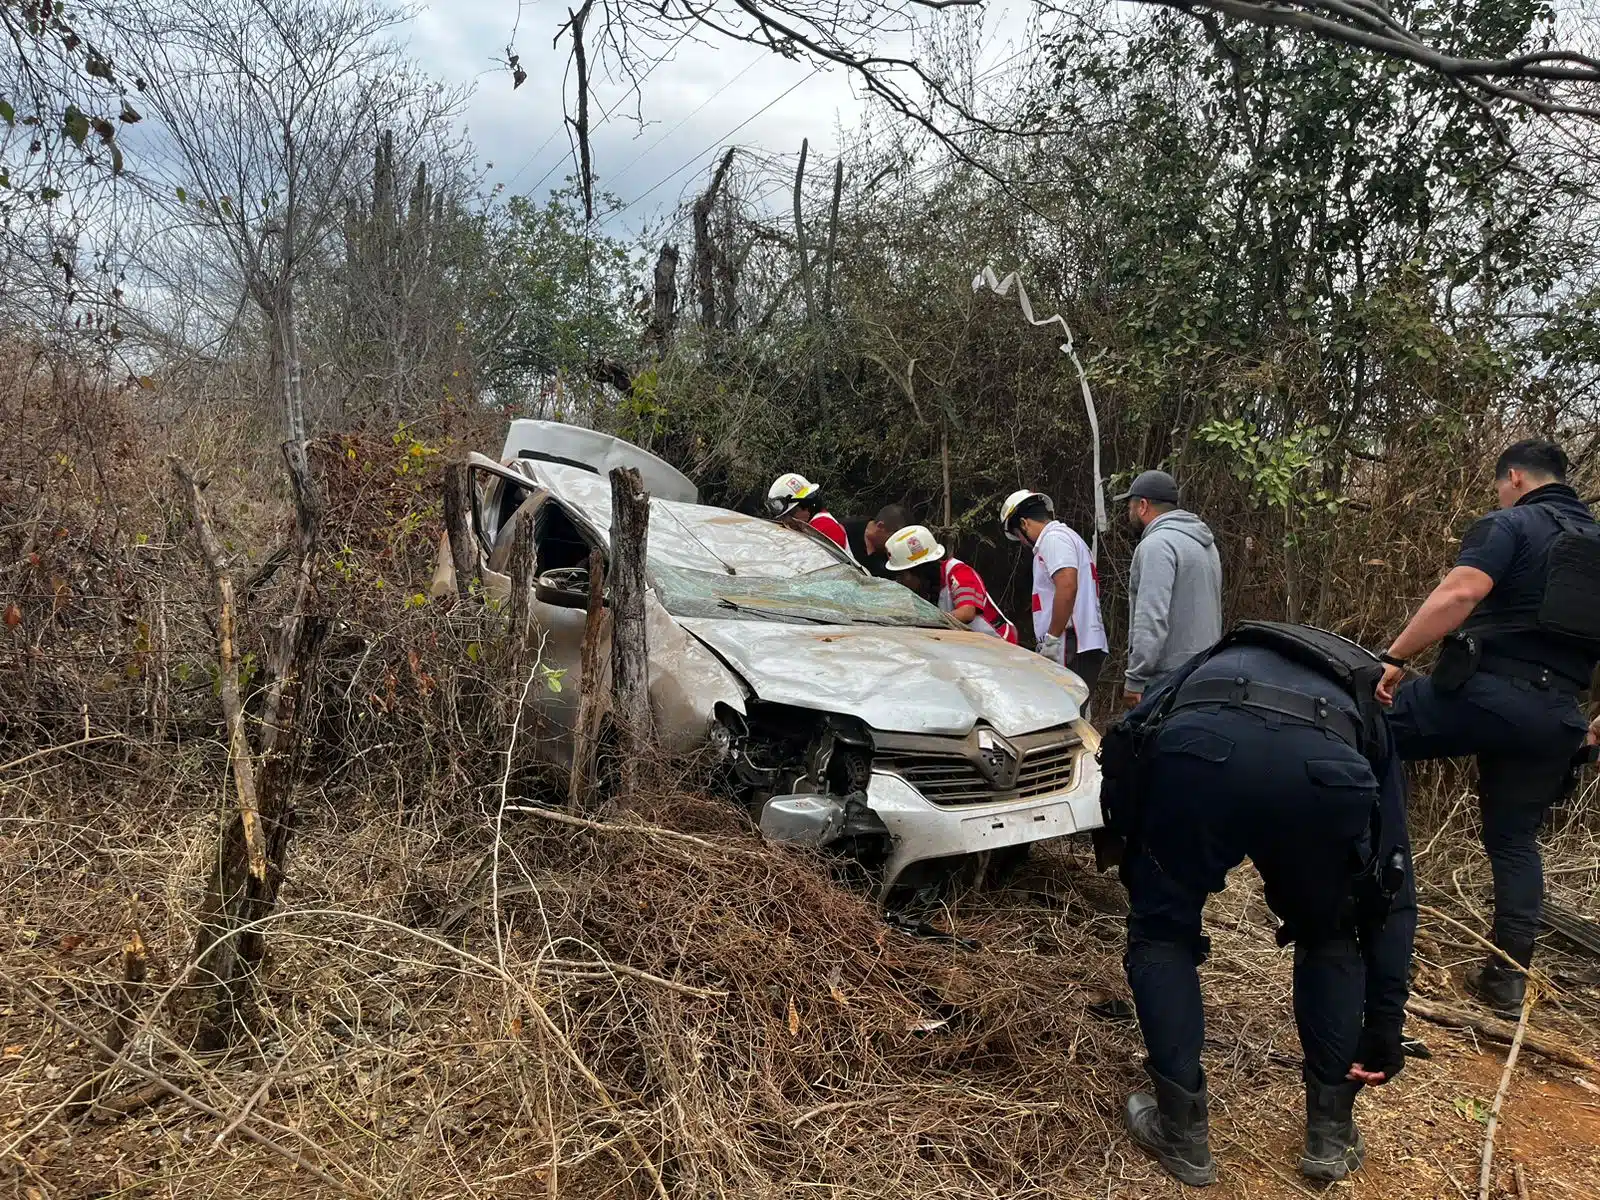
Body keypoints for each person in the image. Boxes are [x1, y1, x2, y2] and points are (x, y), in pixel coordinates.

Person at [1103, 622, 1415, 1187]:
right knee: (1332, 934)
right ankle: (1330, 1135)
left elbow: (1128, 738)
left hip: (1198, 750)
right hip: (1326, 772)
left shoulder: (1208, 659)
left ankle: (1182, 1134)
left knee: (1162, 932)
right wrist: (1385, 1024)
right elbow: (1392, 887)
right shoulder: (1365, 706)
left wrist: (1135, 858)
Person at [1377, 440, 1598, 1017]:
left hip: (1487, 691)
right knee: (1514, 840)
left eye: (1501, 485)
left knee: (1371, 729)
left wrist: (1395, 658)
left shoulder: (1512, 524)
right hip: (1557, 716)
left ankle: (1377, 901)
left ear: (1517, 478)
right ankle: (1507, 981)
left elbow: (1462, 592)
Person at [1115, 469, 1224, 709]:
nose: (1129, 513)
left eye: (1130, 506)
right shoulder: (1205, 543)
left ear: (1143, 505)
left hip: (1166, 680)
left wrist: (1135, 678)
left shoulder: (1157, 545)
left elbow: (1151, 616)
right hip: (1204, 671)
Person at [1000, 489, 1109, 692]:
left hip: (1071, 643)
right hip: (1081, 642)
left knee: (1066, 716)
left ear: (1024, 524)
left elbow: (1067, 585)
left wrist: (1052, 639)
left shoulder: (1053, 539)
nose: (1022, 543)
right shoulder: (1069, 538)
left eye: (1018, 536)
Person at [883, 525, 1018, 643]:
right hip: (969, 645)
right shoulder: (926, 589)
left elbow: (966, 612)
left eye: (902, 575)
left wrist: (926, 621)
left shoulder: (958, 572)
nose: (900, 581)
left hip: (998, 642)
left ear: (918, 570)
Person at [766, 472, 852, 556]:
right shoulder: (812, 525)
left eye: (791, 513)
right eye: (783, 517)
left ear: (806, 507)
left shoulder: (825, 528)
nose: (787, 521)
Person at [843, 504, 910, 579]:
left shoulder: (894, 553)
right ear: (880, 526)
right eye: (894, 538)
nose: (895, 544)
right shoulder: (845, 530)